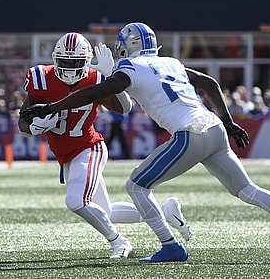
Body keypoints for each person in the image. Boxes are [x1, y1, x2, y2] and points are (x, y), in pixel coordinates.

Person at [20, 23, 270, 263]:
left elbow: (92, 94)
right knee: (248, 190)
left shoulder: (129, 67)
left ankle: (170, 245)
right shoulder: (170, 62)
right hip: (213, 129)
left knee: (136, 187)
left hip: (189, 134)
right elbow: (210, 83)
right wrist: (228, 122)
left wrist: (50, 107)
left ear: (127, 46)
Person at [18, 32, 190, 259]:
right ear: (55, 58)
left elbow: (124, 108)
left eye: (76, 63)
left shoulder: (95, 78)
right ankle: (166, 212)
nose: (70, 68)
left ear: (86, 61)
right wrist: (32, 127)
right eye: (65, 62)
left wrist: (111, 77)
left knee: (76, 201)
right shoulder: (41, 77)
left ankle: (118, 241)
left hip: (89, 147)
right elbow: (23, 119)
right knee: (104, 211)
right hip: (67, 155)